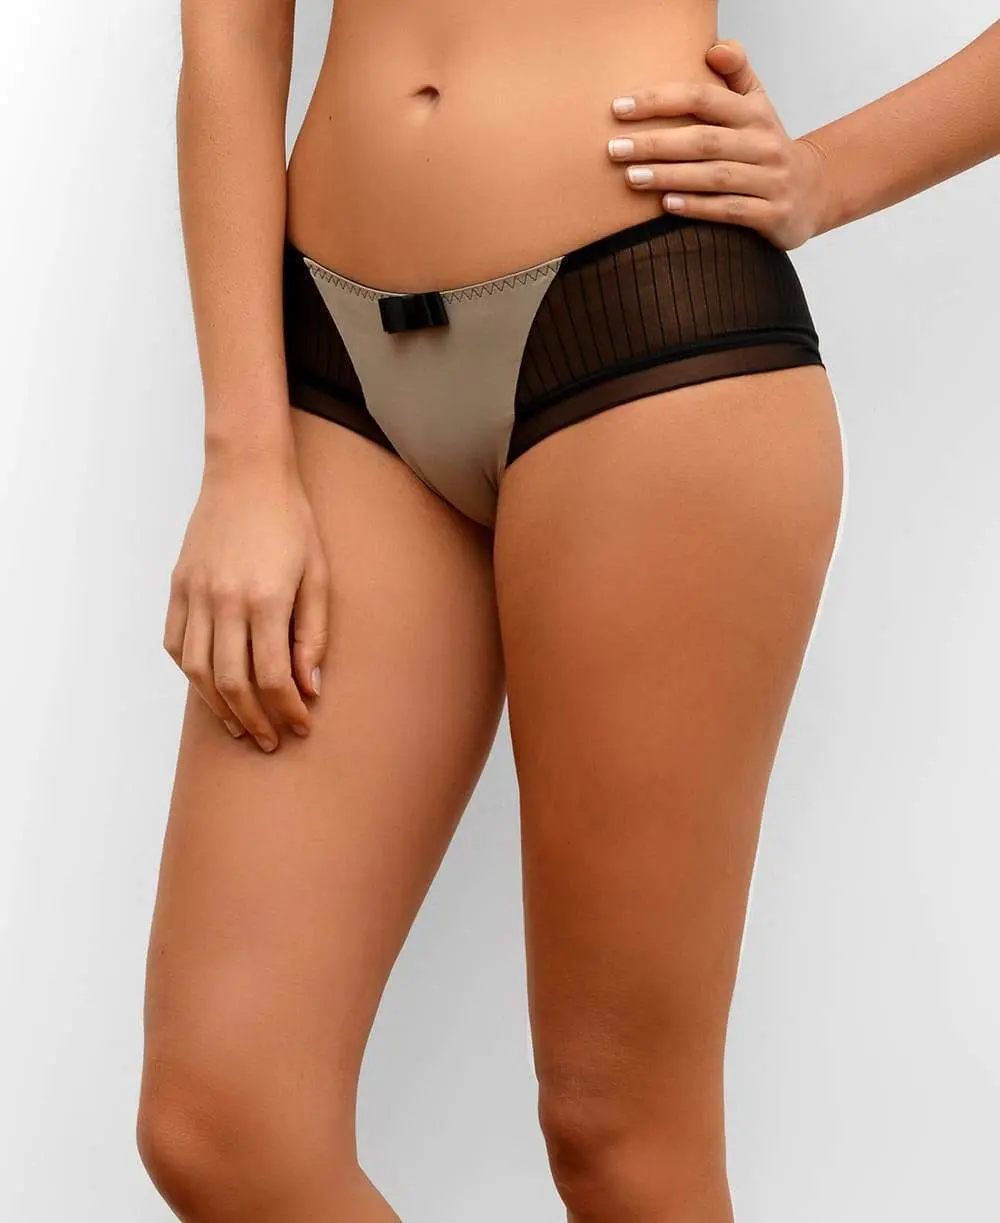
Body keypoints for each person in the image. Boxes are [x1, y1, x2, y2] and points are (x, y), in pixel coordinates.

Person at [136, 2, 1000, 1218]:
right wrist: (242, 457)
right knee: (219, 1116)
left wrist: (829, 176)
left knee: (619, 1133)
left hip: (649, 333)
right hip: (329, 372)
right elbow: (229, 34)